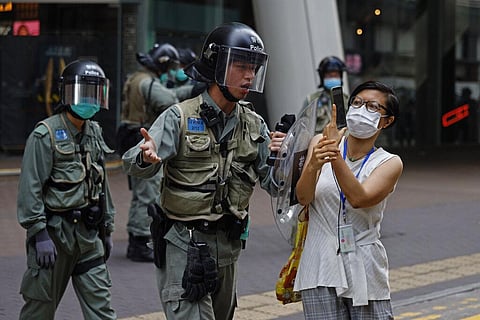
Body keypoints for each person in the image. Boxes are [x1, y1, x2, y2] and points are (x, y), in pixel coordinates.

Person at [122, 22, 284, 320]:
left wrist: (284, 158)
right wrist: (145, 157)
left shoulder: (254, 124)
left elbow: (275, 186)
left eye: (254, 67)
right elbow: (133, 162)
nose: (250, 75)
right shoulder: (179, 117)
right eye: (241, 65)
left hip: (229, 249)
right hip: (186, 245)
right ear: (216, 65)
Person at [17, 59, 117, 320]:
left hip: (88, 236)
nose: (90, 101)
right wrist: (39, 234)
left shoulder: (94, 131)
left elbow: (101, 183)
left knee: (102, 310)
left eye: (95, 94)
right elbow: (31, 188)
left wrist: (107, 229)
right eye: (84, 93)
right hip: (55, 237)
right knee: (39, 309)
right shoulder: (45, 134)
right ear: (67, 94)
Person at [294, 80, 403, 319]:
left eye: (373, 107)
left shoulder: (389, 162)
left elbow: (358, 198)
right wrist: (314, 163)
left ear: (387, 121)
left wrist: (333, 153)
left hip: (364, 264)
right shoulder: (318, 143)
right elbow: (303, 197)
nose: (362, 110)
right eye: (357, 102)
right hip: (319, 262)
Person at [119, 43, 197, 262]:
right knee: (147, 191)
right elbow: (169, 101)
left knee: (141, 191)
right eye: (171, 66)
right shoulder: (147, 82)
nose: (173, 70)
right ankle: (140, 242)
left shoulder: (137, 78)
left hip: (132, 135)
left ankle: (138, 237)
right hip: (142, 138)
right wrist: (190, 92)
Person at [301, 56, 349, 134]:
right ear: (322, 77)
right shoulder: (312, 100)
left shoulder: (348, 100)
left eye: (336, 75)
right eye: (329, 76)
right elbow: (302, 126)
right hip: (319, 143)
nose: (333, 78)